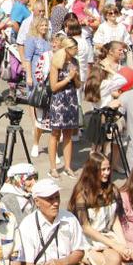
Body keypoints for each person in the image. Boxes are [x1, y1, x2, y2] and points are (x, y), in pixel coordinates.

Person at [47, 37, 81, 178]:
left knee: (68, 134)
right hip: (59, 100)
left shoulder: (75, 62)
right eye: (74, 48)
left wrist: (75, 78)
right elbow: (53, 87)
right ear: (67, 49)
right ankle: (53, 168)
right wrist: (68, 78)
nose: (76, 51)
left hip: (71, 100)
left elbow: (78, 85)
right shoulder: (56, 62)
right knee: (55, 133)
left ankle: (67, 166)